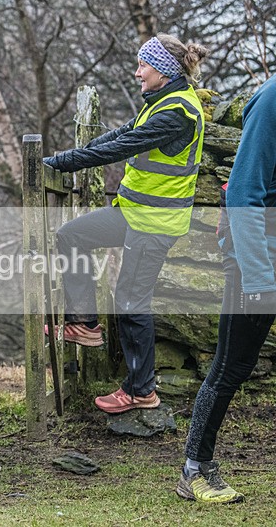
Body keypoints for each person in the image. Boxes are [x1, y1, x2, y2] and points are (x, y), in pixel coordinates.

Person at [43, 34, 208, 414]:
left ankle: (141, 390)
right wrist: (63, 156)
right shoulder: (161, 102)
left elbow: (121, 148)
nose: (137, 73)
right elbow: (119, 135)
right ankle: (84, 323)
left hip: (156, 223)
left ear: (163, 71)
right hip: (134, 212)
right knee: (71, 235)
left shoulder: (178, 113)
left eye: (142, 66)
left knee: (132, 301)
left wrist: (62, 163)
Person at [176, 76, 276, 504]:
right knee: (232, 365)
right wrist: (259, 279)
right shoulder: (272, 100)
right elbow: (242, 193)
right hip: (257, 258)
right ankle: (195, 469)